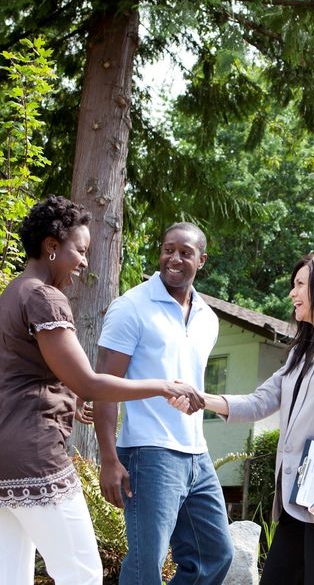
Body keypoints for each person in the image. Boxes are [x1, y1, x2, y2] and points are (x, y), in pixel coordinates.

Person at [0, 195, 204, 585]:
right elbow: (89, 382)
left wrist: (67, 393)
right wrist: (163, 385)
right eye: (80, 250)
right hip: (35, 455)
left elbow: (27, 373)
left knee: (10, 575)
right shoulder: (45, 297)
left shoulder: (12, 293)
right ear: (51, 246)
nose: (84, 261)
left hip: (4, 457)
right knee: (84, 574)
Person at [195, 254, 314, 585]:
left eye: (299, 285)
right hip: (298, 497)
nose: (292, 294)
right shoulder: (302, 352)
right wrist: (203, 400)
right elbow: (261, 400)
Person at [93, 222, 234, 585]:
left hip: (196, 453)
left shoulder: (209, 318)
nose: (174, 258)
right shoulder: (132, 307)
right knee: (146, 565)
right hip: (147, 452)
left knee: (215, 554)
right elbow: (104, 386)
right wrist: (108, 459)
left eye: (185, 252)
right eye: (168, 249)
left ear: (201, 260)